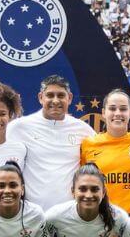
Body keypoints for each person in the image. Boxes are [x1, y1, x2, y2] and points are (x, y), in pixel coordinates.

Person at [6, 75, 94, 211]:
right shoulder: (19, 127)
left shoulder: (84, 130)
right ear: (41, 97)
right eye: (50, 95)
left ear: (69, 98)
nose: (55, 100)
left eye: (61, 95)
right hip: (32, 215)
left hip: (70, 215)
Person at [80, 89, 130, 213]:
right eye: (112, 108)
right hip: (99, 221)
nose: (117, 113)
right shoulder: (88, 144)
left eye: (123, 109)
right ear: (103, 113)